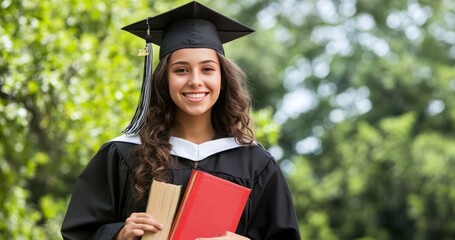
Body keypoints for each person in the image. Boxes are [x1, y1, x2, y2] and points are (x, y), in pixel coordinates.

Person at [61, 1, 301, 240]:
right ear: (163, 79)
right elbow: (78, 233)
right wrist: (118, 235)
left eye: (207, 69)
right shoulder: (124, 154)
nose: (195, 81)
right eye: (181, 70)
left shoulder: (255, 165)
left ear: (223, 78)